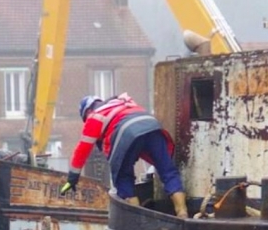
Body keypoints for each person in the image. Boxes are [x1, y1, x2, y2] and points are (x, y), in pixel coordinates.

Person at [59, 93, 189, 218]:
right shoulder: (125, 103)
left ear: (87, 112)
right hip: (153, 127)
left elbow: (83, 148)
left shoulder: (94, 116)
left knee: (123, 178)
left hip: (126, 132)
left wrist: (72, 177)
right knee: (168, 171)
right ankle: (182, 213)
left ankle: (138, 222)